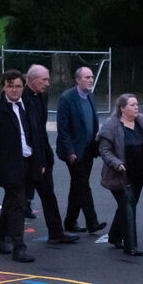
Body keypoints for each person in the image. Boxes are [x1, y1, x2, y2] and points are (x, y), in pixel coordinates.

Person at [0, 70, 46, 262]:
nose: (14, 90)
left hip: (28, 161)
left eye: (18, 86)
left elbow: (36, 136)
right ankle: (19, 246)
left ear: (23, 86)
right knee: (18, 204)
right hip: (8, 165)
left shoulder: (28, 106)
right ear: (3, 87)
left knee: (11, 202)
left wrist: (39, 162)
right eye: (10, 86)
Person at [22, 64, 78, 245]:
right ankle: (2, 235)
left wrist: (47, 156)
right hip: (28, 156)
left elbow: (41, 129)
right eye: (44, 79)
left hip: (42, 153)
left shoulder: (42, 97)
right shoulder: (22, 98)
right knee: (16, 199)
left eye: (48, 79)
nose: (48, 83)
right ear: (31, 79)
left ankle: (56, 232)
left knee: (48, 194)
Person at [96, 93, 143, 256]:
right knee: (128, 207)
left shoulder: (141, 122)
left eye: (137, 104)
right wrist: (116, 163)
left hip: (139, 173)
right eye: (132, 105)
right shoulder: (111, 126)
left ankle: (114, 236)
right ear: (122, 108)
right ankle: (131, 246)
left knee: (128, 206)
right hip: (120, 175)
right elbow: (104, 150)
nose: (136, 107)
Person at [56, 66, 104, 233]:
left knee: (77, 186)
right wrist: (69, 151)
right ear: (77, 80)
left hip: (89, 149)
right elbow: (62, 129)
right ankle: (92, 222)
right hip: (74, 151)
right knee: (83, 185)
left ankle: (70, 221)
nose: (91, 80)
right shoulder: (67, 98)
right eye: (87, 77)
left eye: (91, 77)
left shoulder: (90, 96)